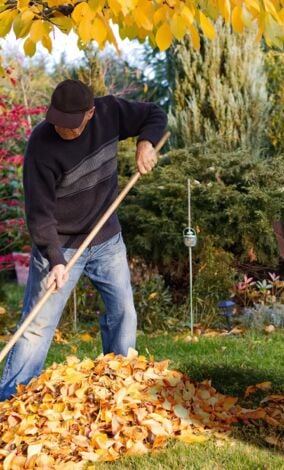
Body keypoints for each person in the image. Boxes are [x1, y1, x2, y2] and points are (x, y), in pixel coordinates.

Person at [0, 79, 167, 400]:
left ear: (90, 113)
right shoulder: (41, 144)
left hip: (106, 240)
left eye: (71, 124)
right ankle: (10, 400)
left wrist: (146, 142)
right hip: (59, 243)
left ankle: (119, 384)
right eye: (58, 121)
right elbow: (39, 213)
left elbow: (155, 114)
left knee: (124, 313)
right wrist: (55, 260)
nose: (63, 129)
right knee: (37, 326)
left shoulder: (110, 113)